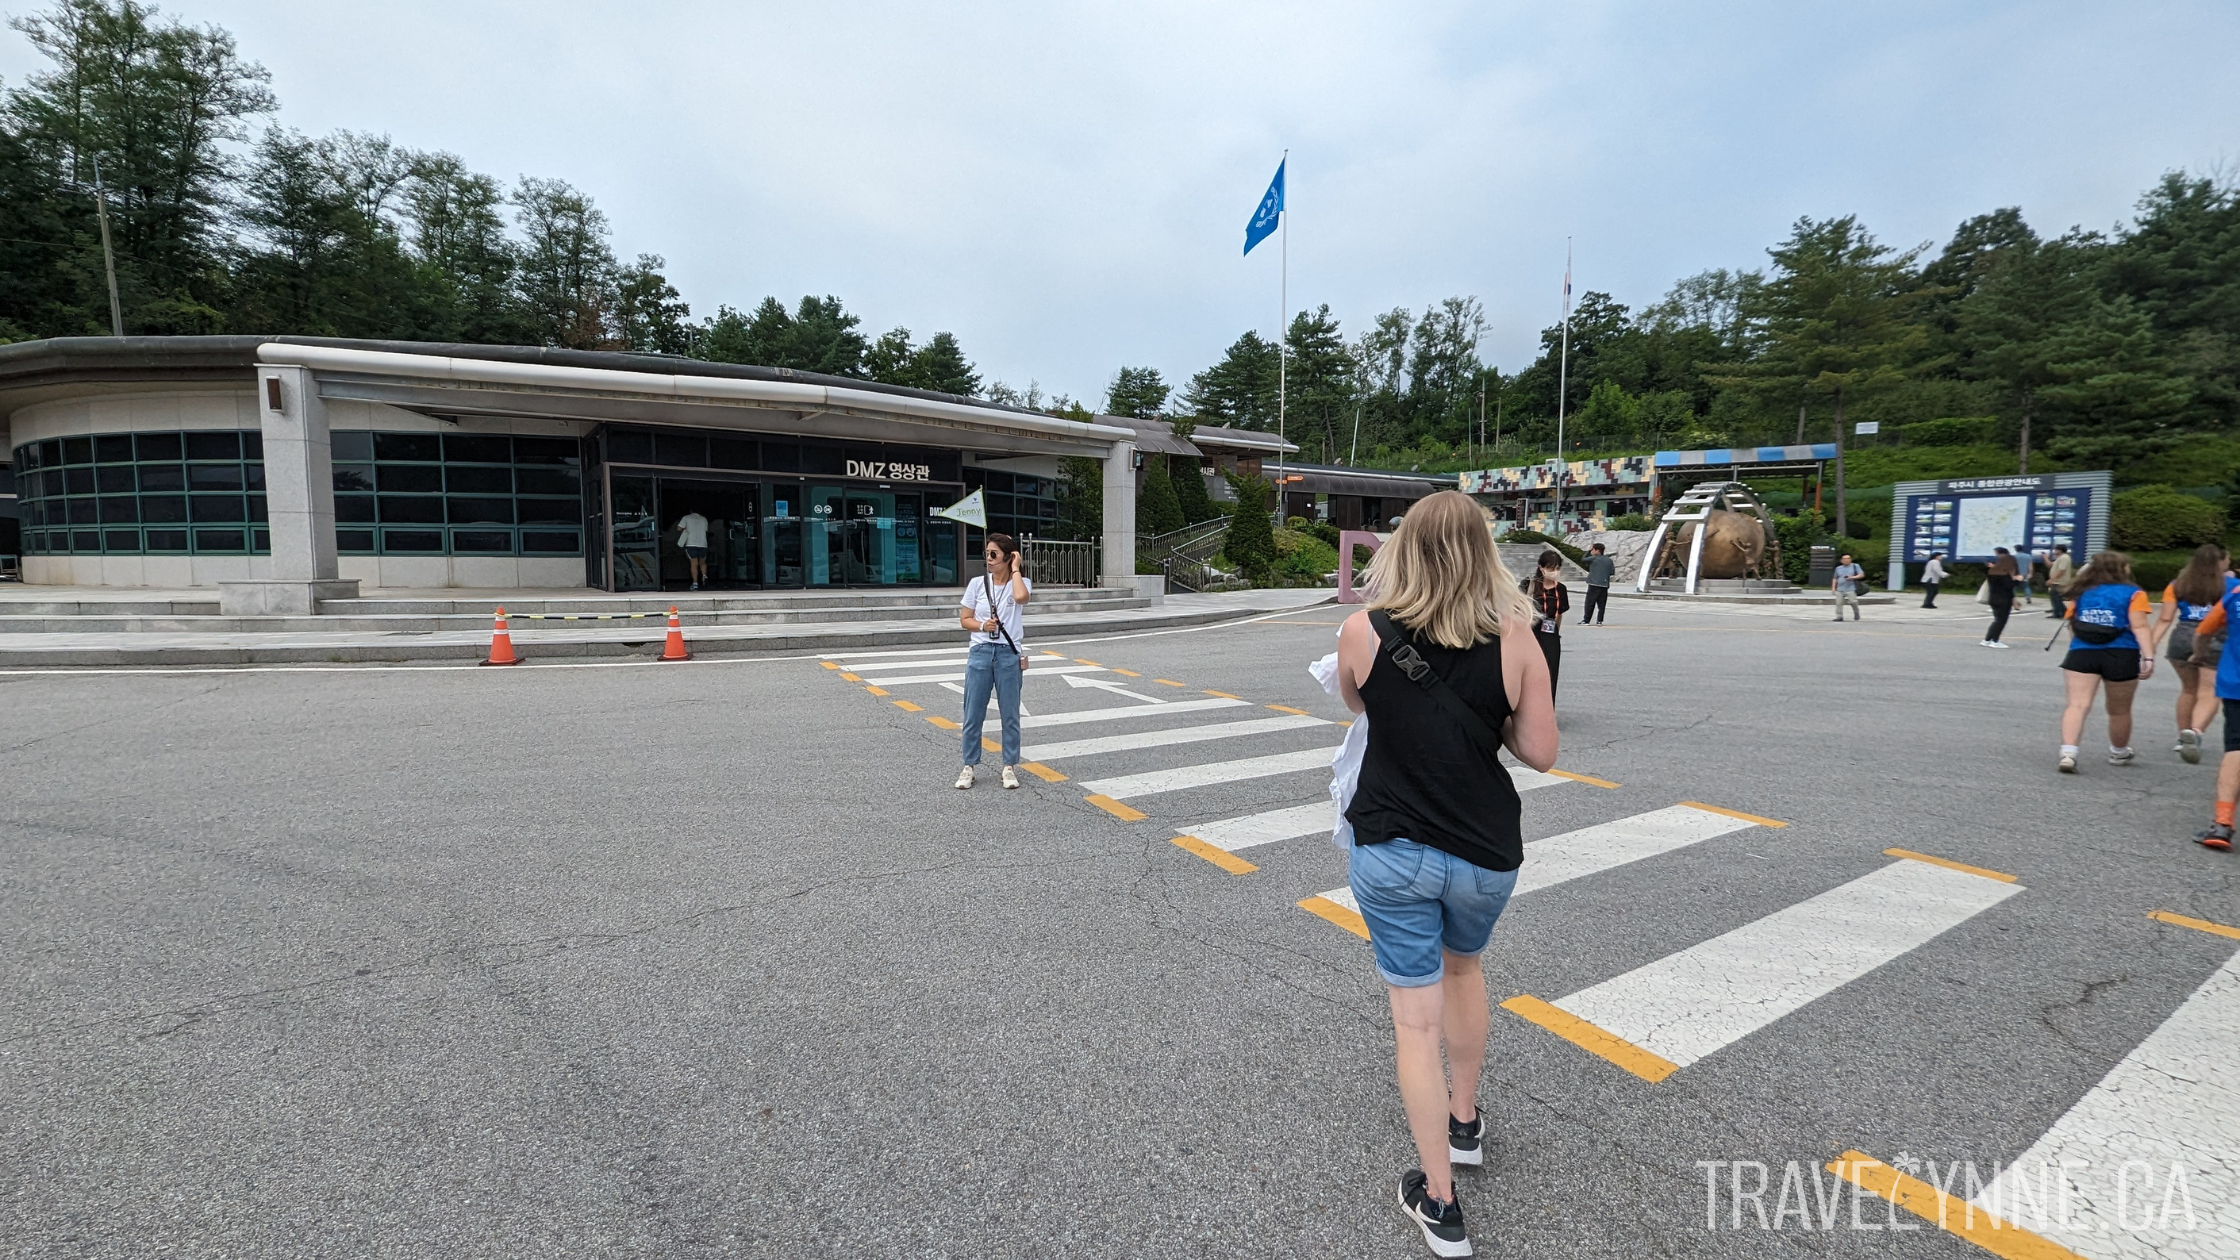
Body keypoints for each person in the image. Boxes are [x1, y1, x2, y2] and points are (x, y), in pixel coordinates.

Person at [1334, 490, 1555, 1256]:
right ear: (1484, 552)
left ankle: (1440, 1201)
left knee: (1412, 1020)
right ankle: (1466, 1121)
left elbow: (1359, 705)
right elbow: (1542, 751)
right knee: (1465, 971)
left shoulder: (1362, 629)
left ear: (1403, 549)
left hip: (1391, 846)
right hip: (1484, 848)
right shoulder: (1519, 636)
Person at [2056, 551, 2157, 773]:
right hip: (2122, 652)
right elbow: (2139, 626)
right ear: (2121, 569)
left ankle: (2068, 752)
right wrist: (2148, 656)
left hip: (2082, 653)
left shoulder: (2080, 592)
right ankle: (2118, 751)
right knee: (2119, 710)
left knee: (2077, 704)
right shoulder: (2134, 593)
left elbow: (2072, 623)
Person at [956, 534, 1032, 791]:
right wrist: (981, 625)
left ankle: (1009, 766)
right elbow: (964, 619)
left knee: (1010, 713)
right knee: (973, 712)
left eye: (994, 554)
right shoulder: (977, 584)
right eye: (987, 553)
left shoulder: (1019, 582)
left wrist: (1015, 569)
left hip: (1008, 654)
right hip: (980, 651)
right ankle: (969, 766)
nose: (988, 559)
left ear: (1008, 557)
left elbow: (1022, 598)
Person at [2152, 544, 2229, 764]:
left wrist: (2152, 644)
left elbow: (2165, 617)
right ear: (2220, 562)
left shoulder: (2177, 585)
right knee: (2209, 690)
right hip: (2215, 638)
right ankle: (2195, 732)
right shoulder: (2231, 586)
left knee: (2188, 690)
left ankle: (2182, 735)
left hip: (2182, 637)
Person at [2184, 579, 2240, 850]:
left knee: (2236, 748)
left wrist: (2199, 653)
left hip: (2236, 682)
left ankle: (2222, 823)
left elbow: (2205, 630)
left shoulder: (2235, 594)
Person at [1523, 550, 1570, 699]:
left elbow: (1560, 613)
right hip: (1531, 632)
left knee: (1551, 672)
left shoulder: (1560, 589)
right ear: (1541, 567)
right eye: (1551, 568)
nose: (1554, 572)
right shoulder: (1529, 585)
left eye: (1557, 568)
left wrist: (1556, 632)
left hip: (1550, 634)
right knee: (1530, 672)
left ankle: (1548, 706)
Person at [1982, 547, 2018, 648]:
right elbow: (2009, 587)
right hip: (2003, 599)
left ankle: (1987, 639)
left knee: (1997, 619)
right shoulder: (2005, 576)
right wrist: (2016, 579)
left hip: (1993, 598)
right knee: (2001, 621)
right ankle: (1995, 640)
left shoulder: (1992, 572)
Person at [1579, 543, 1615, 625]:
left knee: (1589, 603)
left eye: (1593, 550)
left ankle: (1586, 620)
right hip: (1604, 585)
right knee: (1601, 604)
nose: (1592, 551)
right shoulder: (1609, 560)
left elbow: (1583, 559)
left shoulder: (1594, 558)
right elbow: (1612, 572)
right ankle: (1599, 620)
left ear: (1597, 550)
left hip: (1593, 584)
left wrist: (1588, 551)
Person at [675, 510, 710, 590]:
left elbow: (679, 528)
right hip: (703, 544)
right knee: (703, 562)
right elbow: (706, 530)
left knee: (694, 564)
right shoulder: (704, 519)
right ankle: (704, 575)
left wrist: (686, 528)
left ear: (690, 511)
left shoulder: (686, 518)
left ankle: (695, 583)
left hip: (691, 544)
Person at [1830, 552, 1864, 621]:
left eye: (1848, 558)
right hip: (1840, 588)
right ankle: (1839, 616)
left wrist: (1853, 577)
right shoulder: (1838, 568)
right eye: (1844, 559)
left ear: (1850, 559)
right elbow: (1835, 578)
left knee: (1853, 601)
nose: (1846, 560)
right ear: (1841, 560)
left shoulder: (1855, 566)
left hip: (1851, 588)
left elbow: (1861, 574)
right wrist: (1833, 588)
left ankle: (1856, 612)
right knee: (1838, 603)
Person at [2046, 544, 2074, 618]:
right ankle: (2061, 611)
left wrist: (2052, 579)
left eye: (2056, 550)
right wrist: (2045, 558)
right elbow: (2050, 565)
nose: (2055, 551)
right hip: (2057, 581)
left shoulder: (2064, 558)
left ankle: (2059, 612)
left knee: (2056, 597)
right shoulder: (2060, 558)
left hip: (2060, 581)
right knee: (2056, 597)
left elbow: (2061, 570)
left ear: (2060, 550)